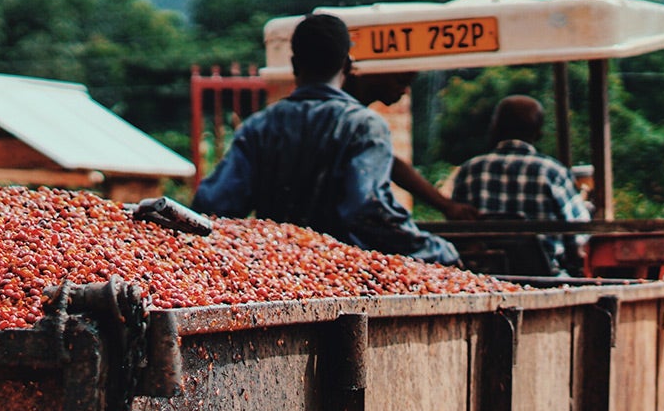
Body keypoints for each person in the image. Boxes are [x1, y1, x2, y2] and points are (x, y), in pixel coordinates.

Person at [193, 14, 459, 265]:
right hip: (345, 279)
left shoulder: (259, 127)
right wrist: (438, 250)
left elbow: (212, 206)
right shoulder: (364, 126)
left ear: (295, 65)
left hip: (277, 277)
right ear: (347, 65)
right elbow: (369, 210)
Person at [451, 95, 591, 273]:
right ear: (538, 132)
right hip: (546, 278)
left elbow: (459, 234)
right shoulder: (552, 172)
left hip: (483, 277)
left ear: (495, 128)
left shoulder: (469, 171)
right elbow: (578, 237)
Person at [344, 70, 483, 223]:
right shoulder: (357, 120)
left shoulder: (356, 119)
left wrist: (447, 206)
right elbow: (392, 167)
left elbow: (391, 163)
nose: (405, 91)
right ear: (374, 74)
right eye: (400, 81)